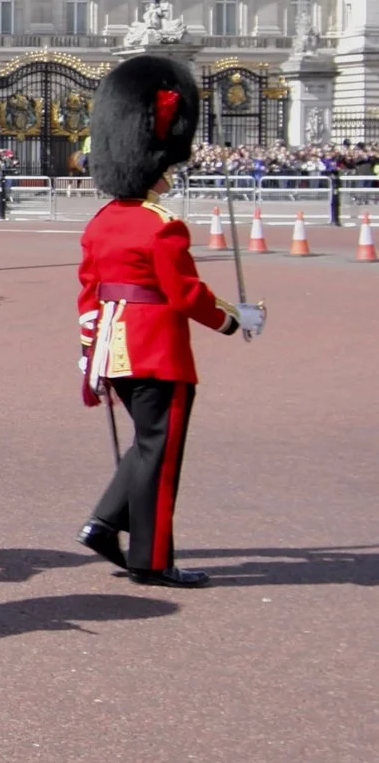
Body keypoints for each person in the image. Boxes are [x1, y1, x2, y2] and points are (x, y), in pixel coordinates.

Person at [75, 55, 263, 588]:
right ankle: (152, 559)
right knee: (162, 451)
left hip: (112, 344)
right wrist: (233, 319)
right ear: (157, 168)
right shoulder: (162, 227)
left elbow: (88, 293)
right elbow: (185, 295)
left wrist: (90, 350)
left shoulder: (100, 222)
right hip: (157, 348)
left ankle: (106, 523)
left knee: (148, 442)